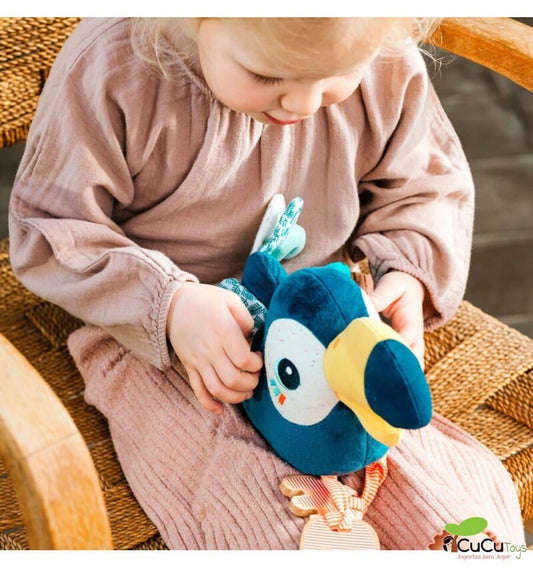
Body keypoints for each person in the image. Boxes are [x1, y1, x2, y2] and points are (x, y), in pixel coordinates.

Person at [8, 17, 525, 550]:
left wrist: (409, 273)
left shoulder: (383, 58)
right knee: (262, 515)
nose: (303, 104)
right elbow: (51, 228)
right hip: (155, 340)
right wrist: (170, 305)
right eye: (266, 75)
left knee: (443, 507)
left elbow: (425, 187)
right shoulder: (114, 71)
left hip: (328, 317)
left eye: (336, 76)